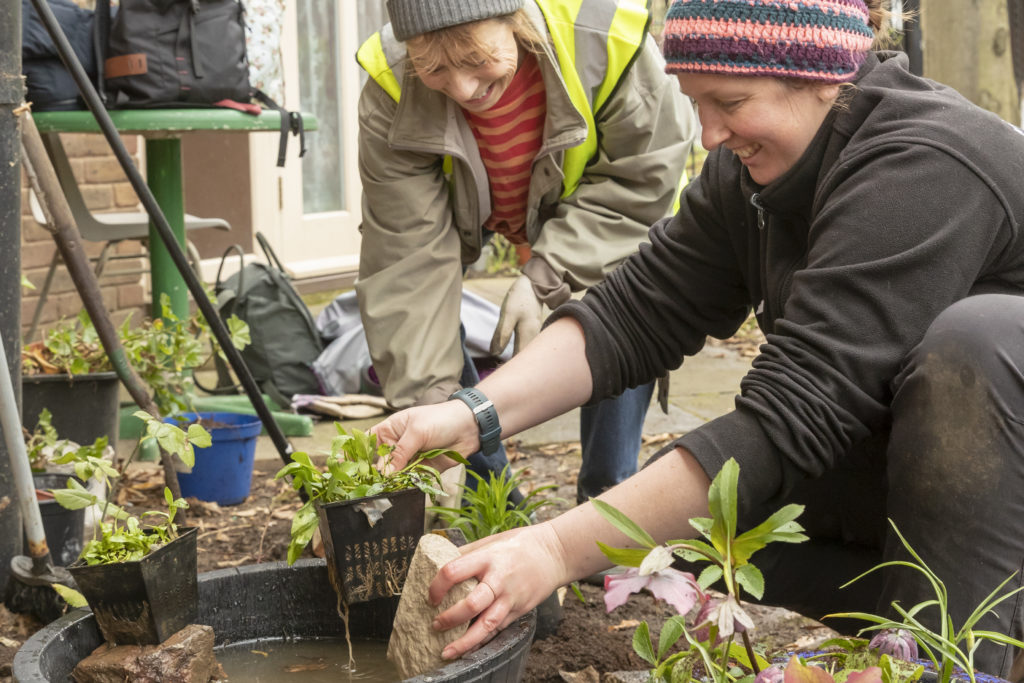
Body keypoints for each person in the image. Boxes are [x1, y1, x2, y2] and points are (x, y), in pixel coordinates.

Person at [370, 0, 1024, 677]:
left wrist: (554, 550)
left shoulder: (922, 161)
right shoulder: (756, 171)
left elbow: (797, 409)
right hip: (954, 503)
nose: (708, 135)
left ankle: (954, 660)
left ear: (823, 75)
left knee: (980, 341)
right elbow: (638, 312)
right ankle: (901, 646)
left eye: (730, 102)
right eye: (694, 101)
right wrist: (471, 414)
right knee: (686, 529)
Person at [354, 0, 696, 502]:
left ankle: (608, 498)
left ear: (514, 19)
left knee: (625, 296)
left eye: (475, 58)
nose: (463, 89)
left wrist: (548, 272)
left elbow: (640, 181)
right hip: (487, 203)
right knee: (425, 328)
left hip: (606, 214)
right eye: (434, 68)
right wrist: (427, 417)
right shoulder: (391, 83)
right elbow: (408, 261)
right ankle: (492, 504)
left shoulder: (606, 41)